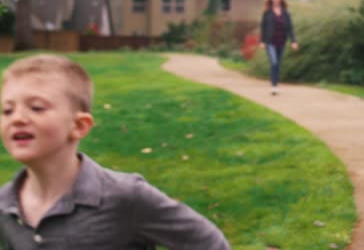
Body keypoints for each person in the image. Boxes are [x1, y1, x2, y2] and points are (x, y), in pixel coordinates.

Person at [0, 54, 231, 250]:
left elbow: (209, 243)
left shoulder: (125, 197)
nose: (17, 118)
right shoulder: (5, 206)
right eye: (7, 110)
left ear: (78, 126)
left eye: (36, 107)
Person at [260, 0, 298, 96]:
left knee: (278, 64)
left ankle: (275, 84)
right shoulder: (267, 12)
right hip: (270, 41)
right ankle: (273, 86)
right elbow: (263, 27)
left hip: (281, 41)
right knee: (274, 62)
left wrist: (293, 41)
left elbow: (290, 28)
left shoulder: (286, 13)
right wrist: (262, 41)